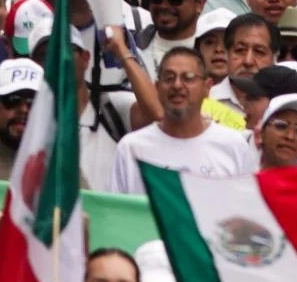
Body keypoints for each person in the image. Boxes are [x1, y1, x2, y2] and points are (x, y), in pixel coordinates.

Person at [106, 48, 253, 193]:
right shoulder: (131, 147)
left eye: (188, 78)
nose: (177, 85)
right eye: (169, 78)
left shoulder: (233, 145)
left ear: (207, 87)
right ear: (157, 87)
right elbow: (116, 212)